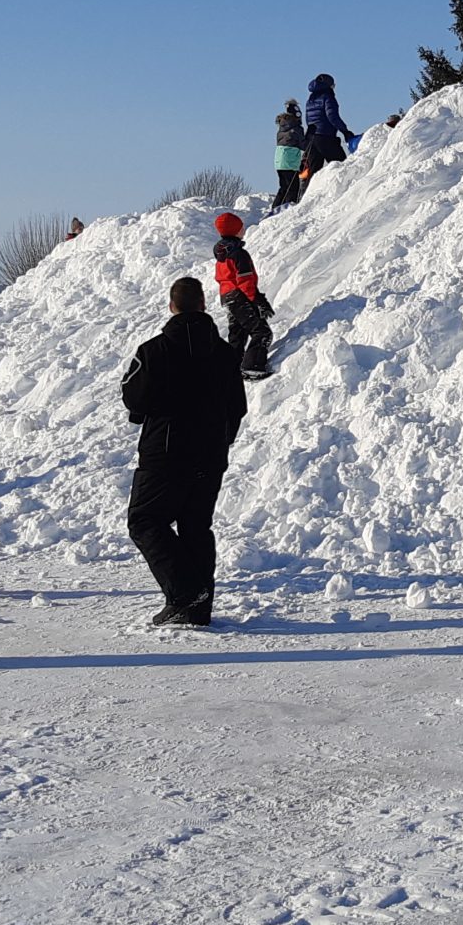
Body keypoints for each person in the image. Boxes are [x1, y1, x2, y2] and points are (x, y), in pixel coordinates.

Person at [120, 276, 249, 626]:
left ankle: (186, 592)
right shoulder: (223, 353)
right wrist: (222, 438)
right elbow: (238, 405)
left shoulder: (154, 350)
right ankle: (196, 608)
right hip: (210, 454)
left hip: (164, 454)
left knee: (145, 521)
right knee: (196, 526)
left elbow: (133, 398)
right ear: (204, 304)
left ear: (171, 306)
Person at [211, 212, 274, 379]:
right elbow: (244, 280)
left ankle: (230, 367)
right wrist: (258, 300)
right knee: (262, 332)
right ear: (235, 230)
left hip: (228, 298)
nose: (243, 229)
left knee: (238, 334)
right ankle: (252, 367)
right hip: (240, 296)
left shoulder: (222, 254)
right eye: (241, 227)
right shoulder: (238, 254)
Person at [301, 74, 354, 188]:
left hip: (311, 138)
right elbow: (332, 117)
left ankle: (306, 197)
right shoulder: (328, 97)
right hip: (325, 137)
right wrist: (345, 131)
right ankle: (343, 191)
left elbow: (308, 120)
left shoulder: (310, 99)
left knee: (313, 171)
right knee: (342, 165)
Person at [274, 100, 307, 208]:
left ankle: (276, 207)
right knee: (293, 187)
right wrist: (310, 134)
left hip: (279, 160)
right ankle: (288, 208)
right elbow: (303, 145)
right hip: (290, 160)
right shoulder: (296, 128)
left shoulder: (282, 128)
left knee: (283, 187)